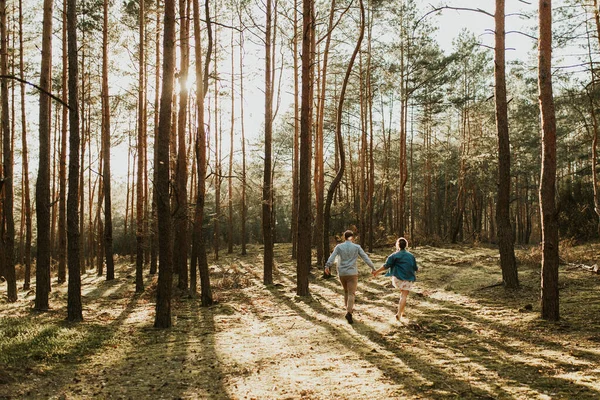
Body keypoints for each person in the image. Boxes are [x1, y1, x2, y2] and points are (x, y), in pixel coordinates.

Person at [324, 230, 376, 324]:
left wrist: (327, 266)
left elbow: (332, 257)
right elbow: (365, 257)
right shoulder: (356, 247)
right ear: (353, 237)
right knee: (352, 293)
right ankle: (349, 312)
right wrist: (372, 267)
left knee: (346, 292)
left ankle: (348, 310)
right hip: (352, 273)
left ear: (344, 237)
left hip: (342, 273)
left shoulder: (339, 247)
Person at [372, 237, 418, 322]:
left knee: (402, 294)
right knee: (404, 295)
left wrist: (376, 272)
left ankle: (402, 311)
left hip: (397, 279)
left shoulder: (393, 255)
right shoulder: (411, 256)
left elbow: (386, 266)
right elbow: (415, 268)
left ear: (397, 245)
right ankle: (399, 314)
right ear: (406, 245)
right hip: (408, 278)